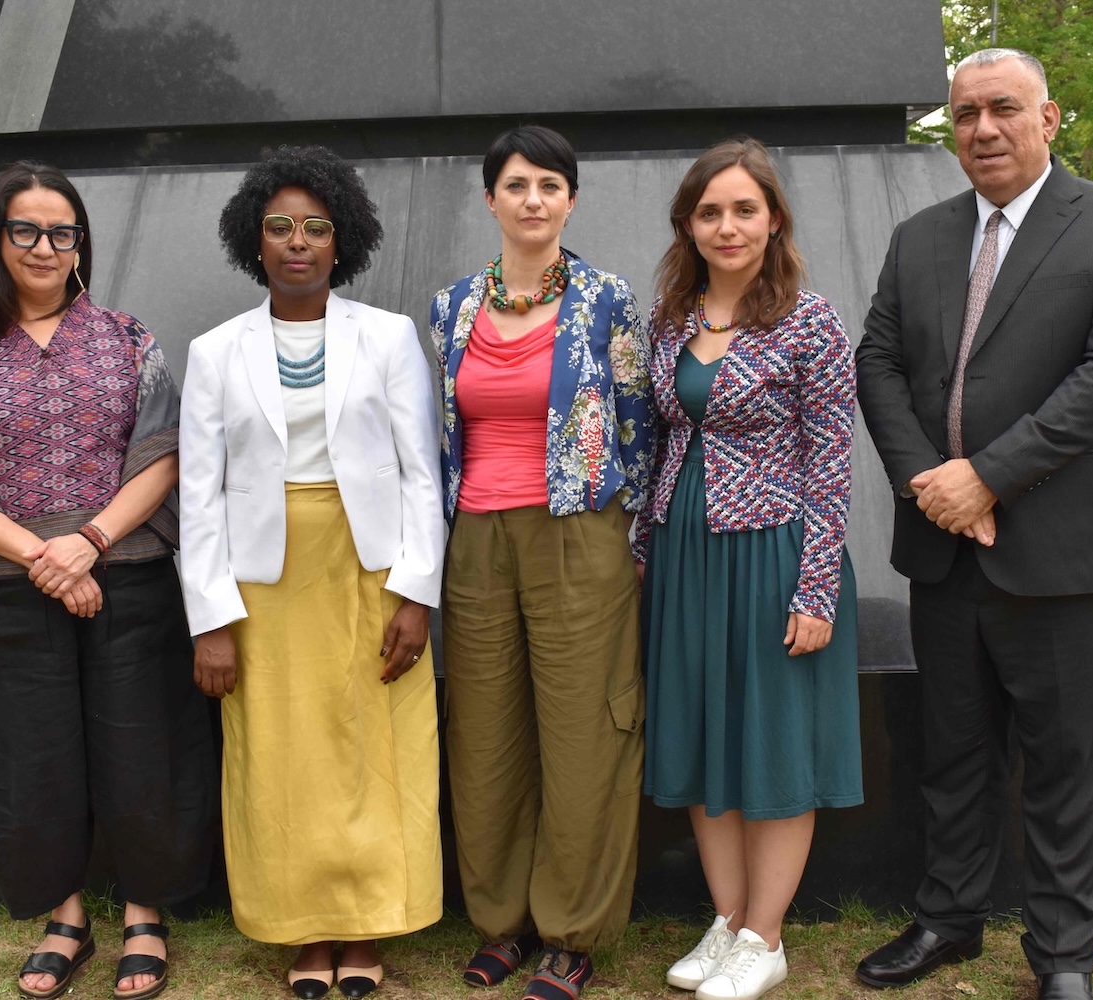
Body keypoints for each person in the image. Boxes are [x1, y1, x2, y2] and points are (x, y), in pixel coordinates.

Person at [854, 49, 1093, 1000]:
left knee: (1064, 759)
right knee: (951, 751)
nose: (982, 130)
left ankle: (1065, 955)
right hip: (943, 549)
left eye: (1002, 109)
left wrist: (988, 477)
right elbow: (877, 362)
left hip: (1065, 550)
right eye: (963, 116)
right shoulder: (919, 237)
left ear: (1049, 117)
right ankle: (949, 919)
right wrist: (926, 482)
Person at [0, 161, 214, 1000]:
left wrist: (90, 541)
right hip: (7, 584)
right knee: (28, 752)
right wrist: (45, 557)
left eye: (61, 231)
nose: (44, 246)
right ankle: (63, 915)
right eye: (25, 230)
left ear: (81, 245)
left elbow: (162, 455)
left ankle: (146, 913)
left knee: (142, 742)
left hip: (127, 572)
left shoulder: (128, 340)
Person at [178, 145, 444, 1000]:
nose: (298, 242)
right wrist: (210, 618)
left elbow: (420, 473)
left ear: (343, 241)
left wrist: (415, 590)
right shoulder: (216, 352)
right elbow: (200, 493)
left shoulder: (389, 336)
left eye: (316, 228)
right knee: (281, 753)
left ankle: (365, 925)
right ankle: (303, 931)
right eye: (280, 227)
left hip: (369, 568)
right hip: (263, 581)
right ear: (254, 242)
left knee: (372, 744)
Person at [428, 124, 655, 1000]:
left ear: (570, 200)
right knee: (485, 735)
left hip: (579, 534)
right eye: (516, 185)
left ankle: (572, 931)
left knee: (583, 733)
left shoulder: (606, 300)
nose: (533, 200)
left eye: (550, 186)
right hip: (476, 539)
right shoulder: (450, 307)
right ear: (490, 199)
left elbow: (638, 422)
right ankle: (501, 922)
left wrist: (627, 538)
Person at [635, 137, 862, 1000]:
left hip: (770, 549)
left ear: (773, 219)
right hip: (684, 553)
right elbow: (659, 440)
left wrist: (816, 587)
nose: (727, 226)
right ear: (687, 225)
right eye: (709, 212)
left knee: (770, 742)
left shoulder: (811, 319)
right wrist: (645, 550)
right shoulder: (672, 320)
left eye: (744, 209)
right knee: (700, 732)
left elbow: (831, 458)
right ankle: (727, 921)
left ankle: (766, 938)